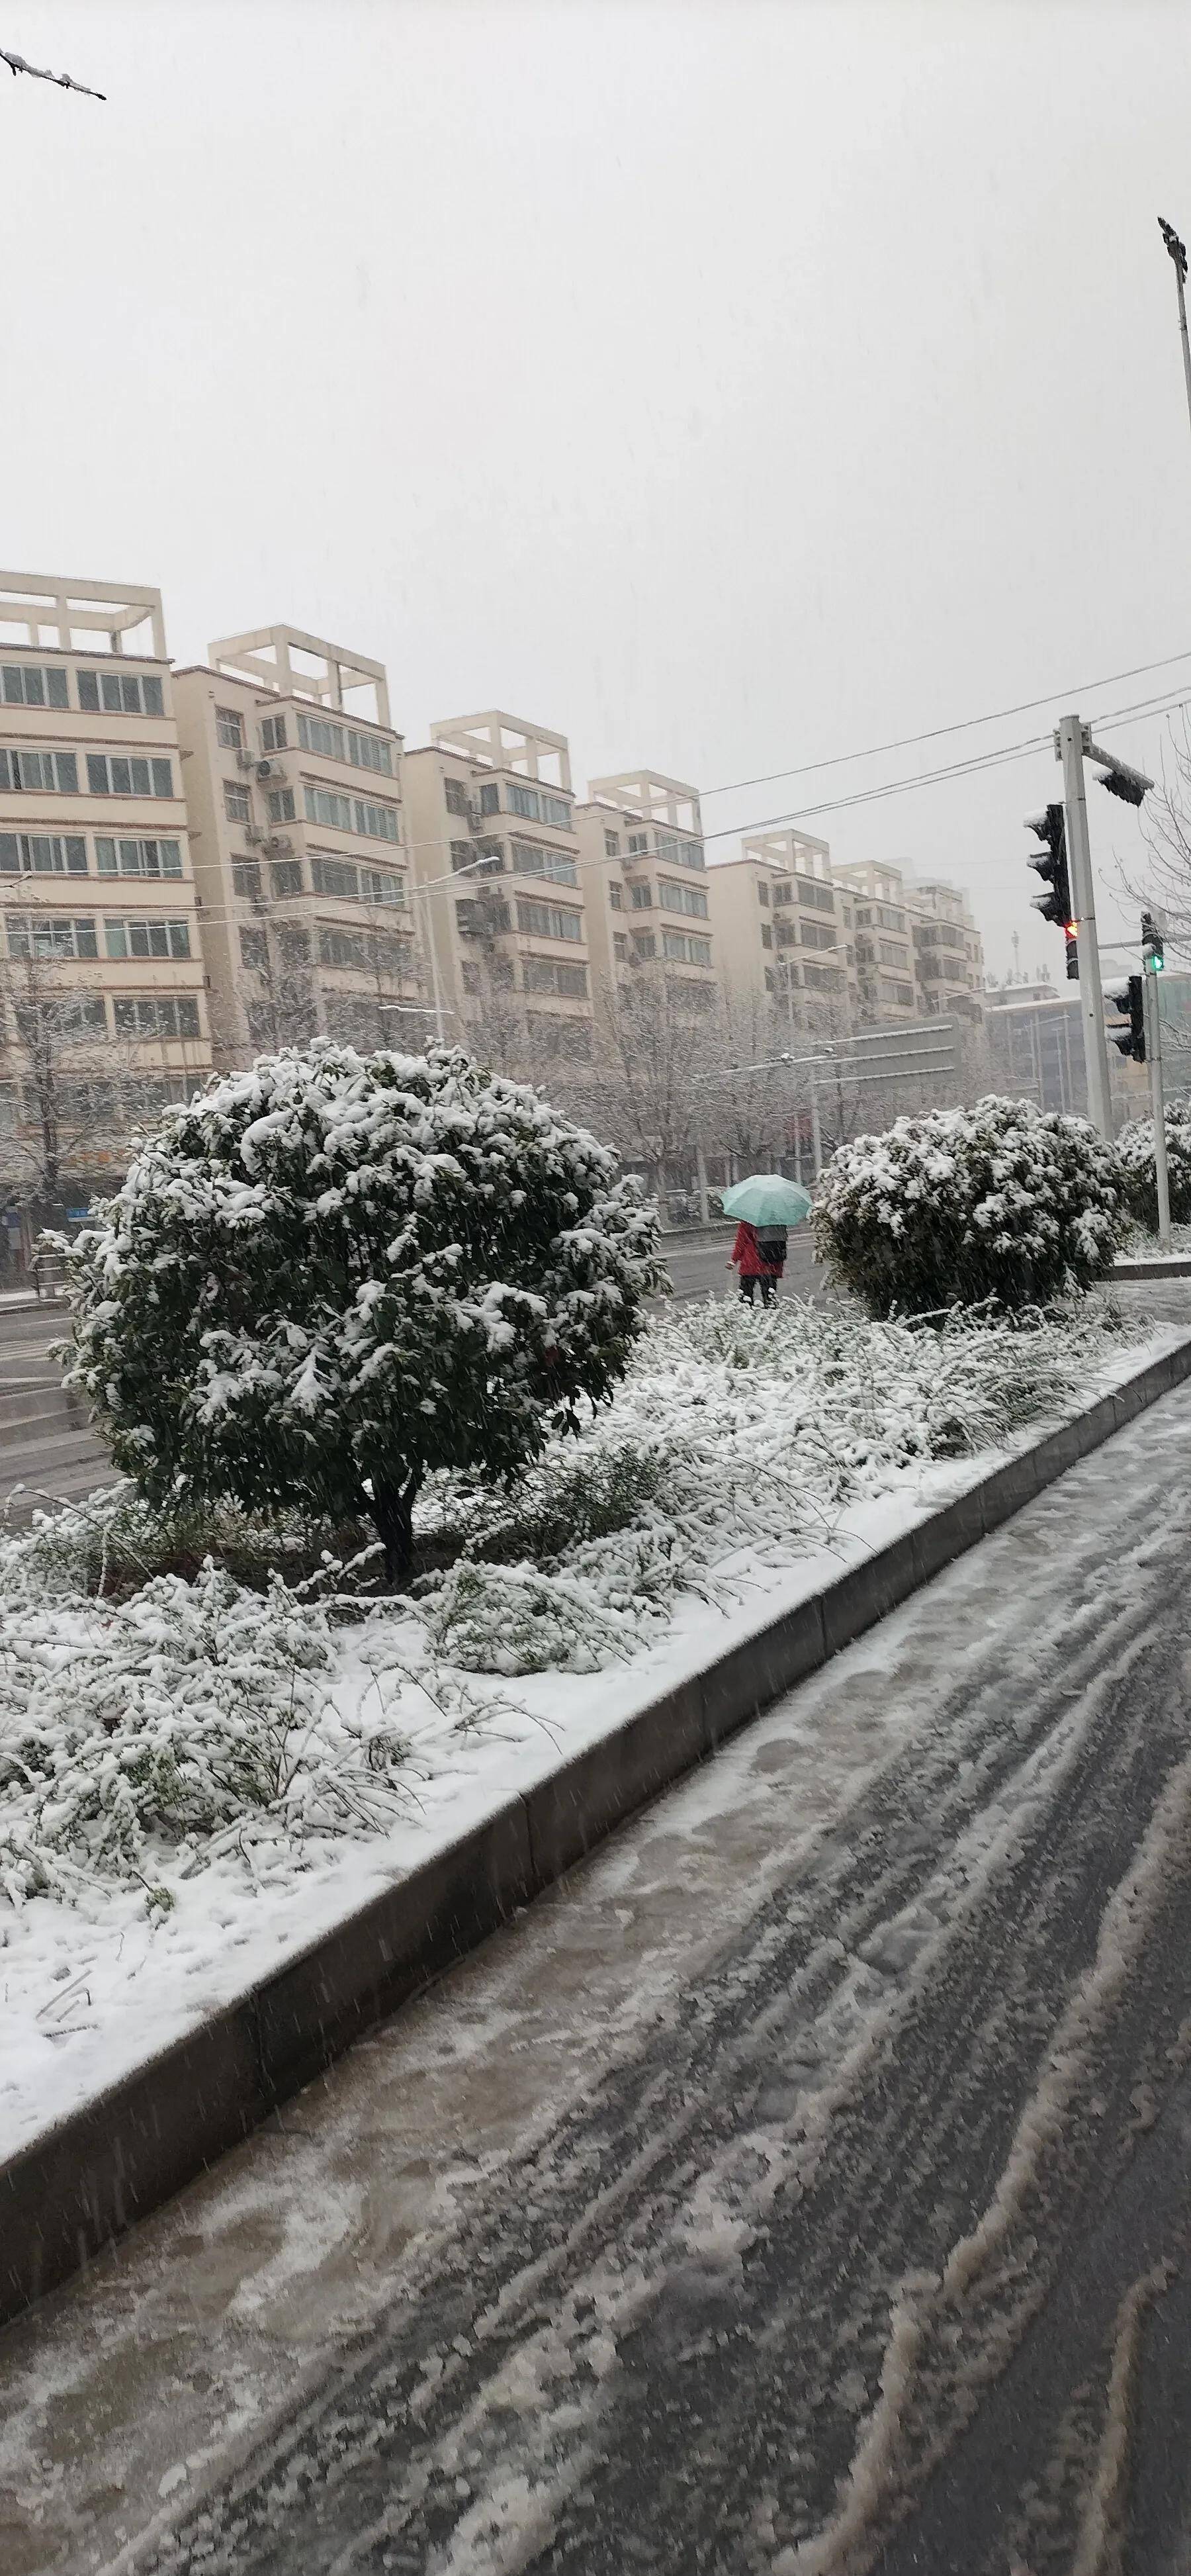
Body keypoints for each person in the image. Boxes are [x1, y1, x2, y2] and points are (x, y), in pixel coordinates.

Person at [727, 1219, 786, 1305]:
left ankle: (748, 1316)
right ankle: (771, 1316)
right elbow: (780, 1245)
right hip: (770, 1264)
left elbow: (741, 1242)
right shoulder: (778, 1220)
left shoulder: (749, 1220)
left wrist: (733, 1260)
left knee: (745, 1299)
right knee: (770, 1299)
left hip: (751, 1263)